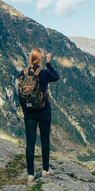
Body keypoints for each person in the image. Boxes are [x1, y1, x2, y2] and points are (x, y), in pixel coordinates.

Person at [19, 48, 59, 183]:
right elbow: (56, 77)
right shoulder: (44, 73)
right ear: (41, 59)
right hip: (44, 112)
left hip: (29, 113)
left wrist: (26, 110)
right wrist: (48, 63)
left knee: (30, 143)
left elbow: (19, 93)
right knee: (44, 141)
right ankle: (45, 170)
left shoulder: (22, 73)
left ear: (30, 58)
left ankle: (30, 174)